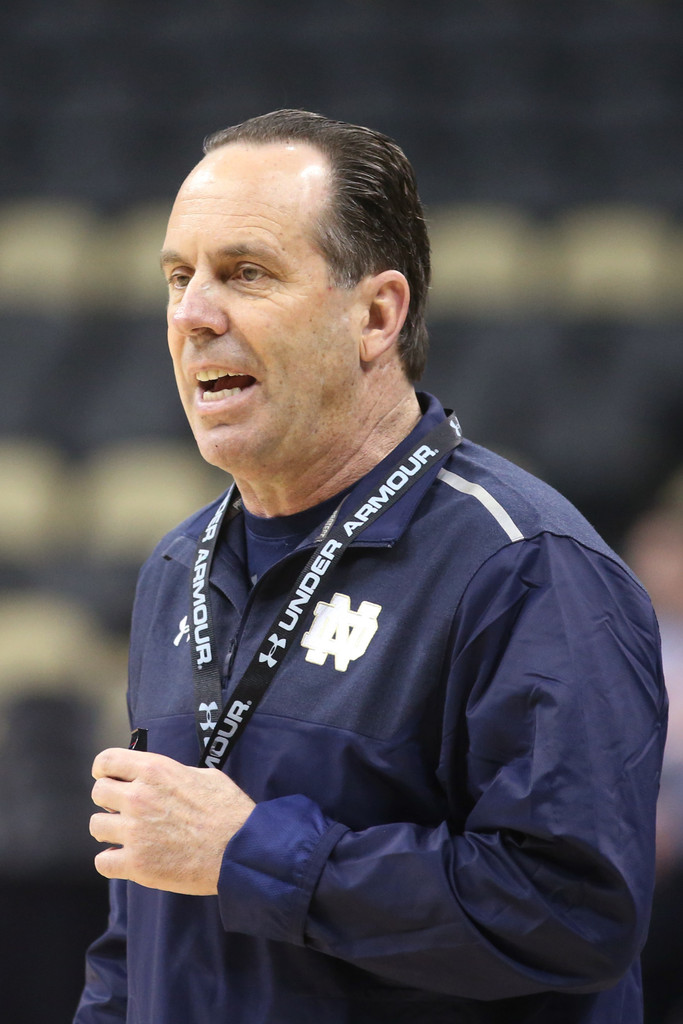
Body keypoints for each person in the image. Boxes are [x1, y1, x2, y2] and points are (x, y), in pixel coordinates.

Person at [75, 109, 666, 1024]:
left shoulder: (523, 567)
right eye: (178, 277)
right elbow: (145, 934)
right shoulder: (178, 565)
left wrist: (249, 854)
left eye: (245, 273)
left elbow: (569, 912)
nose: (193, 314)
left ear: (376, 314)